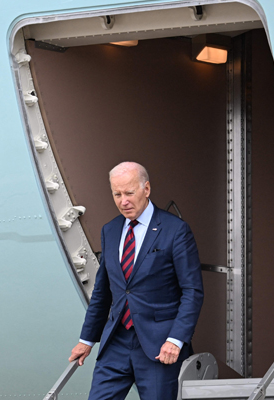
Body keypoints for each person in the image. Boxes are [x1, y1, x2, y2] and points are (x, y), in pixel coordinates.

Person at [69, 161, 204, 400]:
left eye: (129, 193)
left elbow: (192, 291)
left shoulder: (175, 230)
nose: (124, 201)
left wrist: (176, 340)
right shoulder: (109, 230)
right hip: (117, 342)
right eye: (117, 194)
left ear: (147, 189)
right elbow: (103, 292)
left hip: (160, 346)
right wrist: (86, 339)